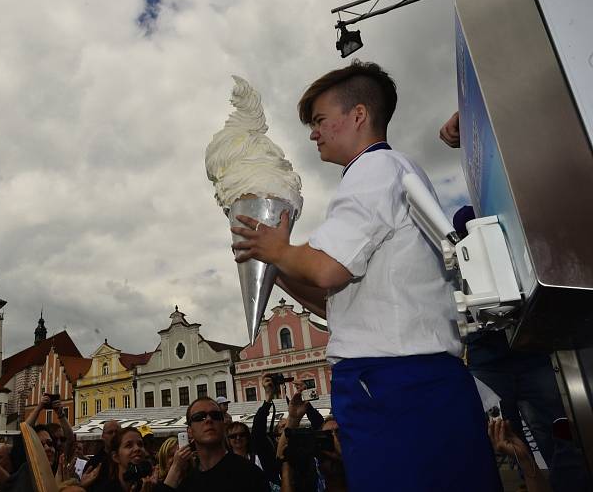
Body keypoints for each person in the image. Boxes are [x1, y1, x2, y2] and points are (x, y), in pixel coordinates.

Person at [232, 60, 501, 491]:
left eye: (320, 120)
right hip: (410, 380)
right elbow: (335, 302)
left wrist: (279, 249)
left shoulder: (374, 169)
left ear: (358, 114)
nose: (313, 133)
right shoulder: (392, 171)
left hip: (394, 383)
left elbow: (325, 269)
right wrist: (274, 266)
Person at [440, 111, 593, 492]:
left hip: (532, 344)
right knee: (491, 436)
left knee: (558, 433)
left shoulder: (517, 214)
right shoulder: (464, 240)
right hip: (492, 348)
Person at [158, 397, 269, 491]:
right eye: (199, 417)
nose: (209, 419)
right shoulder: (187, 482)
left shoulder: (249, 473)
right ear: (189, 431)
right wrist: (175, 469)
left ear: (222, 425)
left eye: (215, 415)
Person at [87, 427, 155, 492]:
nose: (137, 448)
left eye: (140, 444)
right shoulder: (104, 489)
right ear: (115, 457)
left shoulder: (153, 486)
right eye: (129, 445)